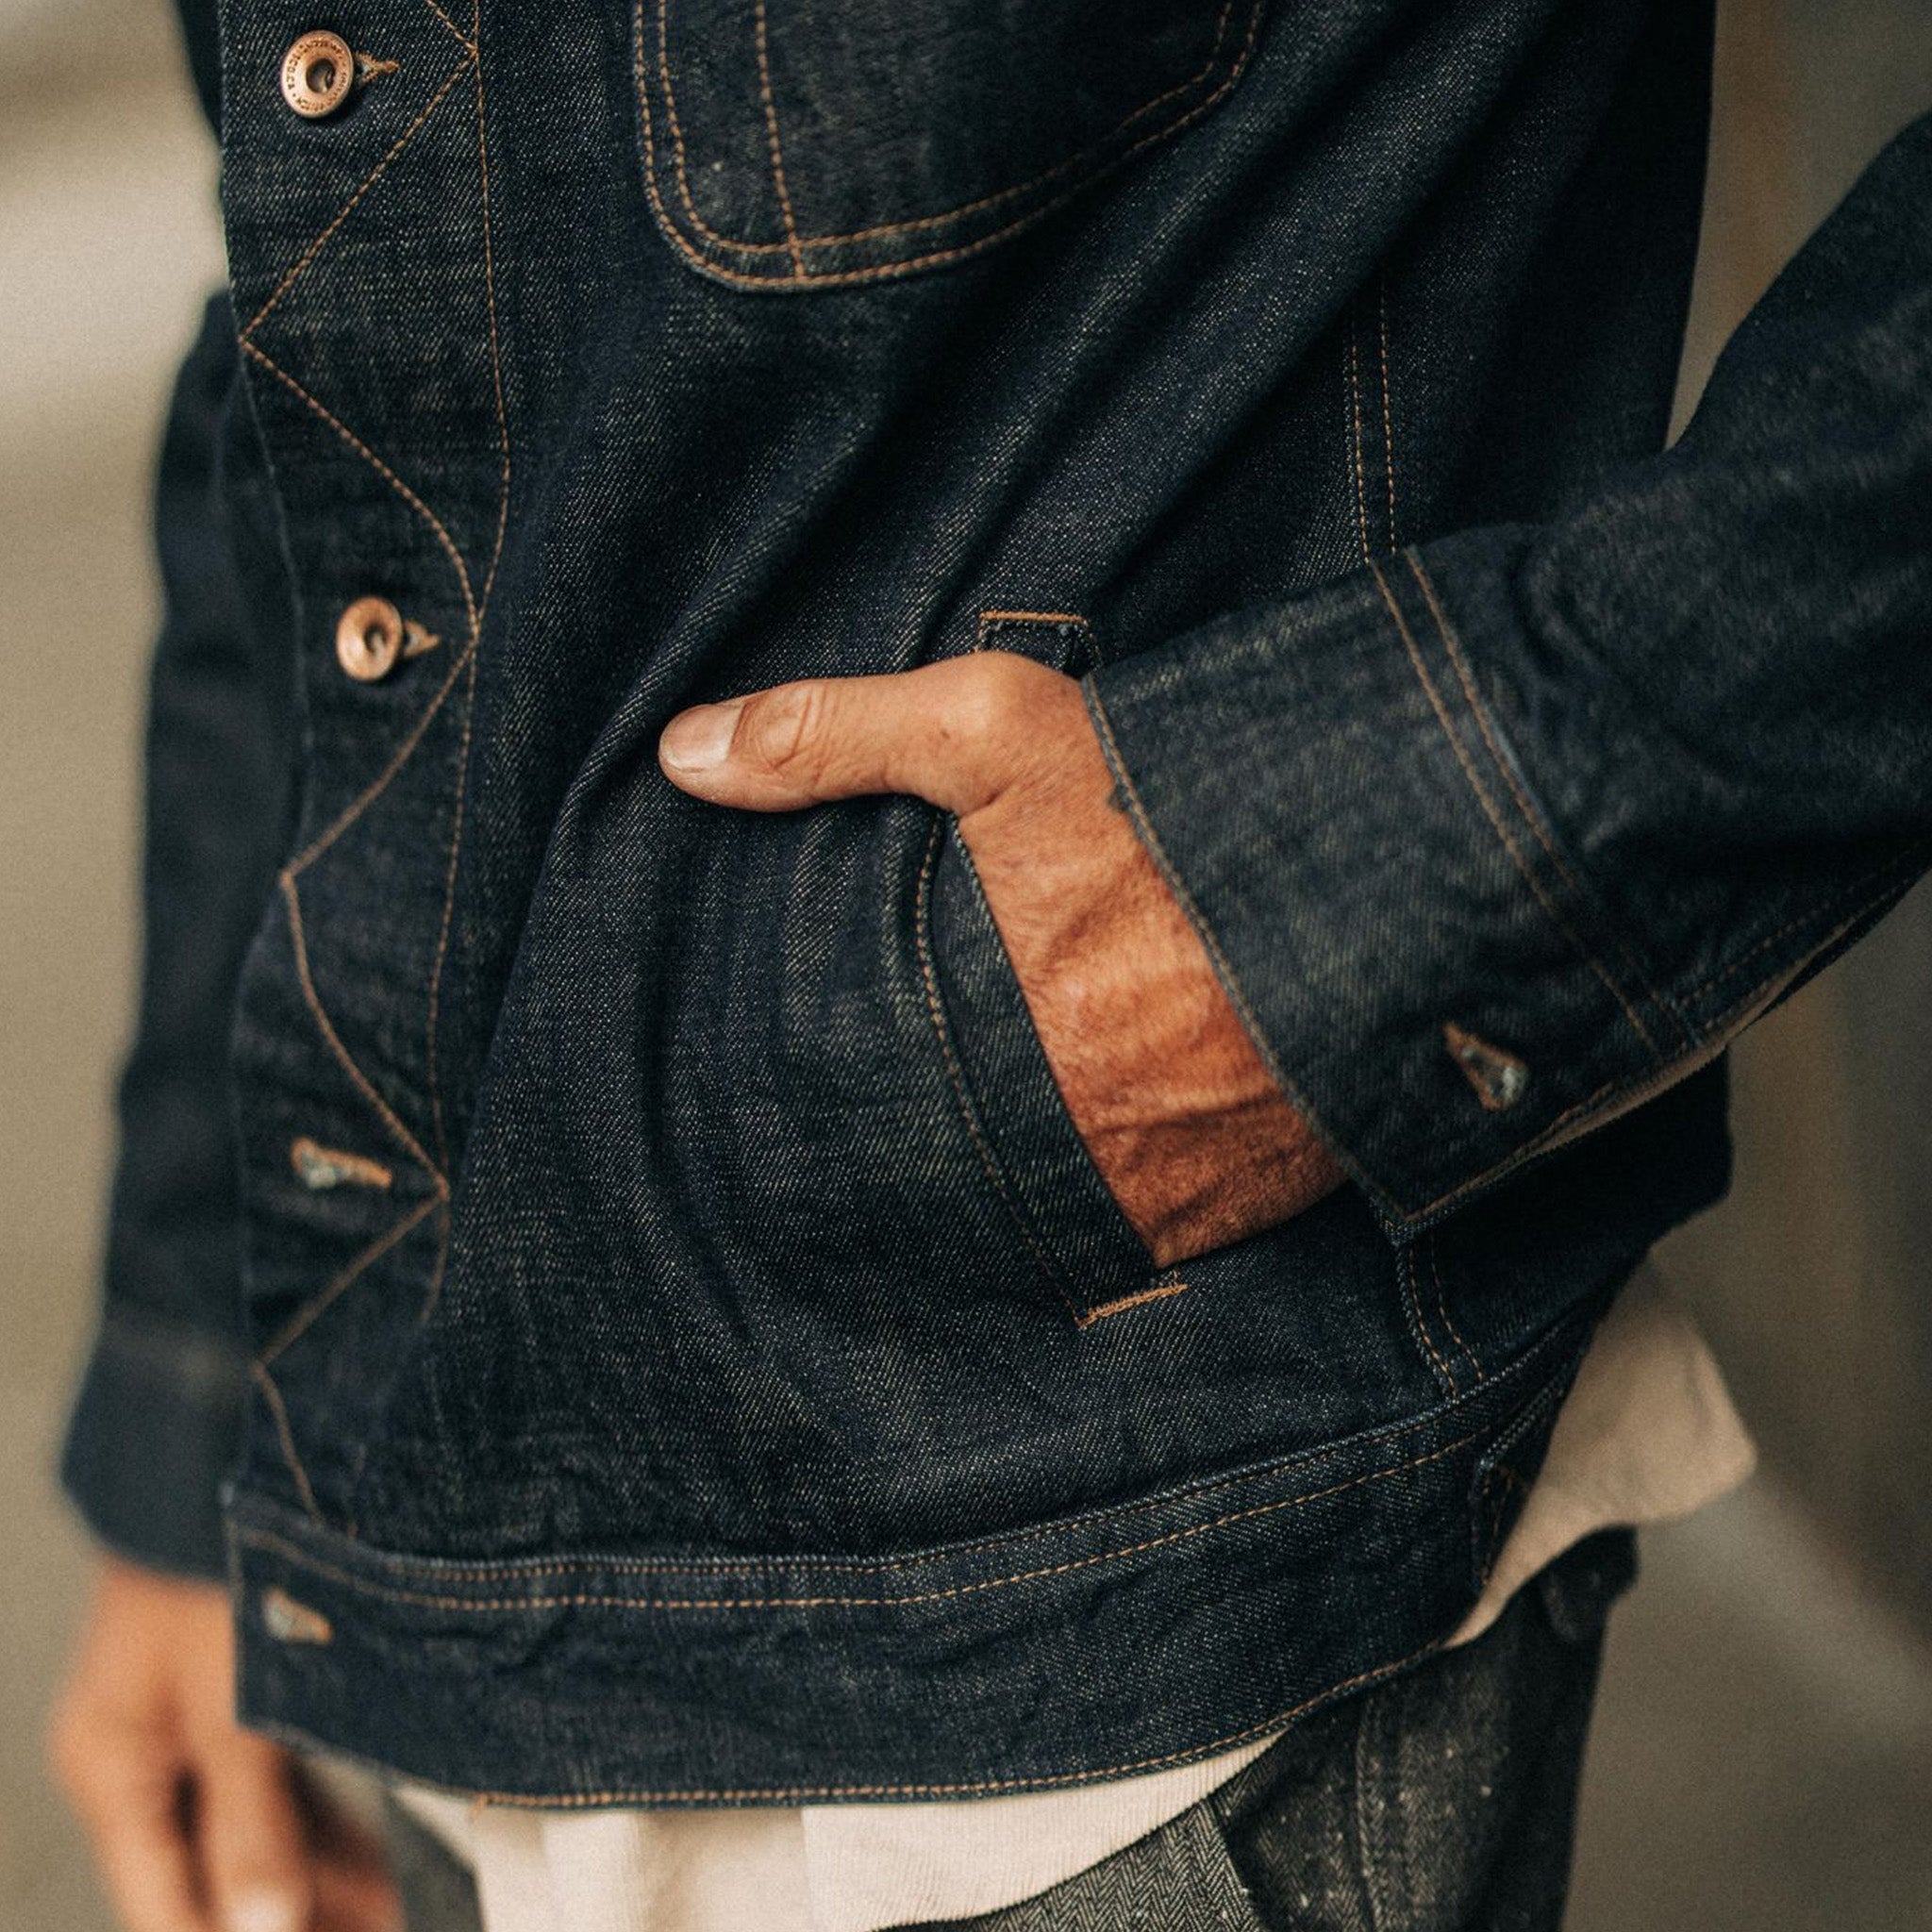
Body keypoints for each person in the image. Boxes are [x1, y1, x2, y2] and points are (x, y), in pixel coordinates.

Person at [44, 0, 1927, 1925]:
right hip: (435, 1538)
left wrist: (1372, 872)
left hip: (1087, 1577)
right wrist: (209, 1404)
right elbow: (326, 311)